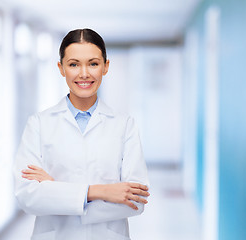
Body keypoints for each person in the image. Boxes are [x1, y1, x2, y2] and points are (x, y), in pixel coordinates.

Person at [13, 28, 150, 240]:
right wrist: (99, 192)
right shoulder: (39, 124)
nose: (84, 73)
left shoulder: (124, 125)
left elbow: (136, 202)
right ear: (61, 68)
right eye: (74, 64)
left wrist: (55, 190)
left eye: (93, 63)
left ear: (106, 67)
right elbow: (27, 197)